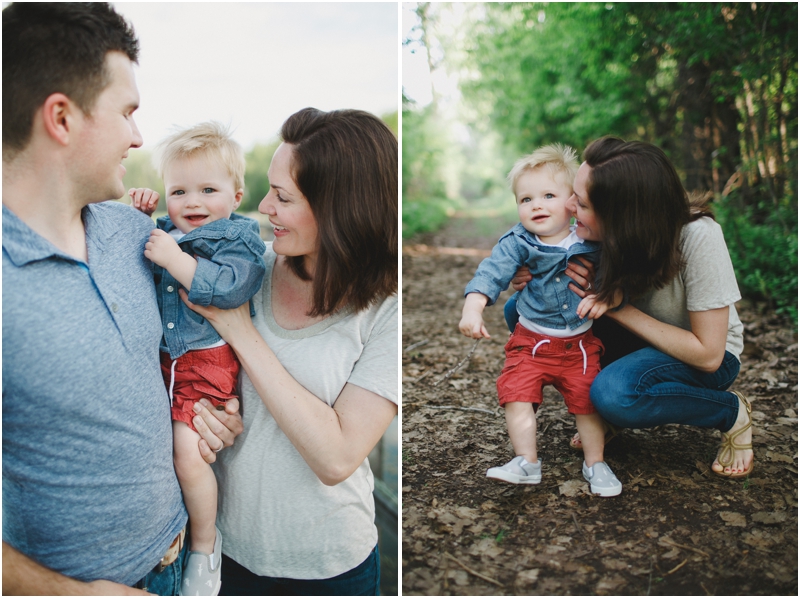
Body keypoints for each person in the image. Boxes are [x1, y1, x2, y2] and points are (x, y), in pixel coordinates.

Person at [2, 3, 242, 595]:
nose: (138, 136)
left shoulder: (143, 236)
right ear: (61, 116)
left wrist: (218, 415)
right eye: (127, 112)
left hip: (180, 558)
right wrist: (68, 592)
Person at [179, 107, 398, 596]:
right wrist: (210, 416)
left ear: (340, 209)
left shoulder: (387, 313)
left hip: (329, 567)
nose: (263, 205)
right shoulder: (243, 268)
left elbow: (336, 457)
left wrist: (241, 332)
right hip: (224, 555)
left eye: (282, 196)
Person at [510, 136, 752, 478]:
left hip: (702, 356)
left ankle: (730, 412)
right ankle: (603, 413)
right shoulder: (591, 235)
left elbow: (709, 355)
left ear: (622, 218)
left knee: (616, 394)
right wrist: (528, 277)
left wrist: (616, 307)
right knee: (518, 311)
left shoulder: (698, 237)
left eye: (581, 203)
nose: (568, 208)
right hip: (635, 341)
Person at [129, 121, 266, 595]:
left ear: (237, 195)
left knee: (189, 453)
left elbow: (227, 288)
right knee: (162, 447)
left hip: (206, 361)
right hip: (166, 363)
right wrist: (141, 215)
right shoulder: (166, 231)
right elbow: (139, 255)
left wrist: (174, 258)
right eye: (178, 191)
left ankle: (206, 548)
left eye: (209, 189)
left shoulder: (240, 240)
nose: (192, 202)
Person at [459, 144, 622, 497]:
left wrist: (607, 292)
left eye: (548, 195)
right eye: (526, 199)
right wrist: (473, 307)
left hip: (579, 345)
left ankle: (596, 462)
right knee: (516, 394)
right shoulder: (518, 241)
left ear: (571, 201)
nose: (536, 205)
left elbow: (617, 270)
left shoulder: (590, 239)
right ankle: (526, 461)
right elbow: (492, 272)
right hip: (531, 342)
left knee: (587, 403)